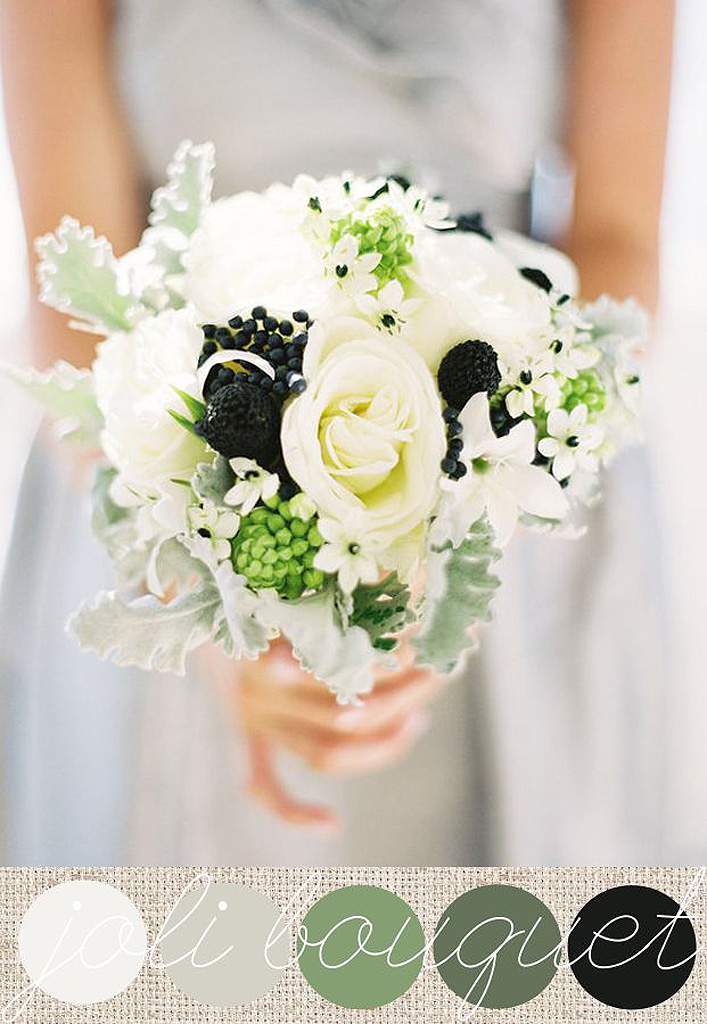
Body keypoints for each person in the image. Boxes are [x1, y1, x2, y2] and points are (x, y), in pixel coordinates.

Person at [0, 0, 674, 865]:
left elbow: (617, 240)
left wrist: (458, 532)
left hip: (508, 507)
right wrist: (210, 607)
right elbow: (75, 297)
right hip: (173, 496)